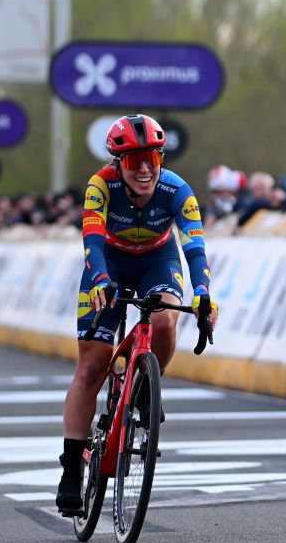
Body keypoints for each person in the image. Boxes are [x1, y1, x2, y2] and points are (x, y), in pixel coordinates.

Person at [57, 114, 219, 516]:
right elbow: (91, 240)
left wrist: (202, 293)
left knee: (165, 319)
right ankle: (71, 471)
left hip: (156, 261)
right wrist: (98, 279)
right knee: (91, 365)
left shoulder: (178, 190)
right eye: (133, 161)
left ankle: (143, 387)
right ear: (118, 164)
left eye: (151, 157)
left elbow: (194, 249)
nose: (145, 168)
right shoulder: (101, 185)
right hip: (108, 264)